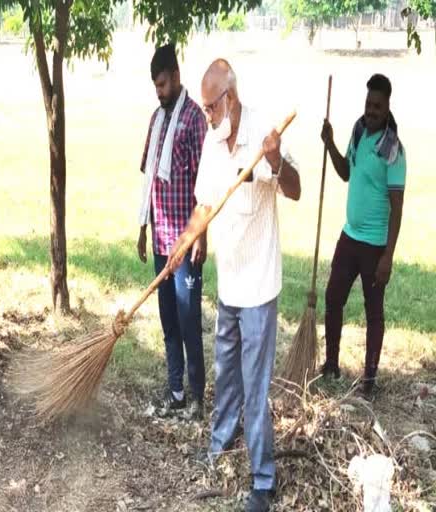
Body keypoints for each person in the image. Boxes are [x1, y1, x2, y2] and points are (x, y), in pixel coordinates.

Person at [171, 59, 301, 512]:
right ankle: (220, 445)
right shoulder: (213, 141)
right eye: (204, 108)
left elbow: (297, 189)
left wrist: (275, 161)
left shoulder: (263, 131)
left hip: (260, 290)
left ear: (231, 96)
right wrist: (185, 241)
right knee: (226, 375)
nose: (206, 115)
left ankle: (263, 480)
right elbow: (206, 204)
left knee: (255, 383)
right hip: (230, 286)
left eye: (210, 107)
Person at [320, 74, 405, 399]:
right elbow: (345, 173)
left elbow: (397, 208)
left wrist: (388, 256)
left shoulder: (393, 150)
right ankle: (331, 364)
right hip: (349, 236)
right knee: (332, 298)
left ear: (387, 108)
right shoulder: (358, 130)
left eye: (377, 106)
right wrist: (329, 144)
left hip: (375, 245)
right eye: (368, 104)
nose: (371, 111)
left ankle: (369, 380)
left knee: (373, 312)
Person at [137, 43, 207, 419]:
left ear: (177, 76)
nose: (160, 92)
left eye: (163, 84)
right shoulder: (157, 119)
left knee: (188, 319)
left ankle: (197, 397)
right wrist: (143, 229)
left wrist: (202, 236)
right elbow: (149, 178)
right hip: (162, 238)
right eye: (156, 87)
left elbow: (206, 185)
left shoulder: (195, 120)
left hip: (187, 240)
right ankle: (176, 391)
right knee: (168, 320)